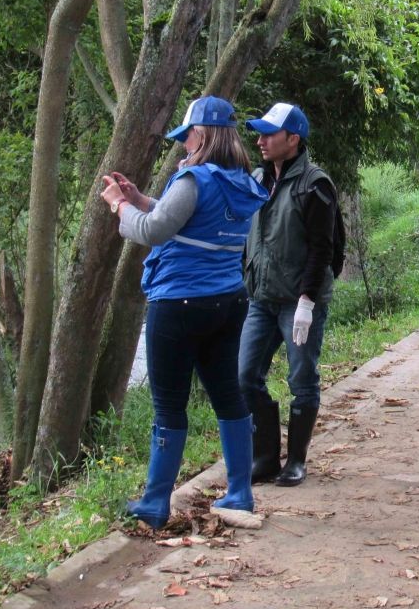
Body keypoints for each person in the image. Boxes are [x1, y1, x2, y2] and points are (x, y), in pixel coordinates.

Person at [100, 96, 269, 529]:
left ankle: (155, 503)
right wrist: (143, 197)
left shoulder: (193, 179)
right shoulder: (242, 182)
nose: (183, 145)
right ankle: (240, 493)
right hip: (227, 303)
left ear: (203, 134)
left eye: (186, 135)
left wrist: (121, 206)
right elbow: (192, 221)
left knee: (169, 405)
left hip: (179, 305)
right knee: (228, 395)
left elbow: (155, 232)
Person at [240, 103, 339, 487]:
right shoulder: (258, 179)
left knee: (302, 378)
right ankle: (264, 457)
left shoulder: (315, 184)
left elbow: (322, 249)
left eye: (269, 134)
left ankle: (296, 460)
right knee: (245, 375)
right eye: (260, 133)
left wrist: (307, 302)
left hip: (299, 301)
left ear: (293, 139)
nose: (260, 140)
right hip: (262, 298)